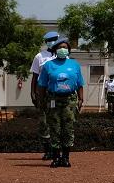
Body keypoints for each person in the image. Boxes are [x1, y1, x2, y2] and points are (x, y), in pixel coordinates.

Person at [37, 36, 85, 168]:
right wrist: (41, 101)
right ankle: (56, 158)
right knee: (55, 128)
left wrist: (81, 99)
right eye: (59, 47)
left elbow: (80, 83)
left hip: (70, 100)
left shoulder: (74, 65)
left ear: (68, 50)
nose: (62, 49)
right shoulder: (48, 65)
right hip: (53, 100)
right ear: (55, 50)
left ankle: (65, 158)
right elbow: (42, 85)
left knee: (68, 129)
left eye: (65, 47)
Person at [30, 31, 60, 161]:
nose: (52, 42)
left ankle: (56, 150)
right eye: (49, 40)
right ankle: (47, 150)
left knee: (57, 121)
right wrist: (33, 93)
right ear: (46, 42)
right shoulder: (39, 56)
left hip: (58, 93)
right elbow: (35, 76)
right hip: (43, 93)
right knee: (44, 122)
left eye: (54, 39)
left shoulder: (63, 56)